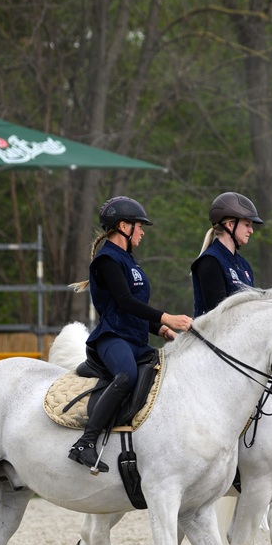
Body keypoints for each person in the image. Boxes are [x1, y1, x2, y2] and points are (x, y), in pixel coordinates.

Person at [69, 196, 193, 472]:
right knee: (126, 376)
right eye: (139, 226)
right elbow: (124, 302)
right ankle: (85, 443)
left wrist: (160, 329)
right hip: (112, 338)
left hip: (136, 339)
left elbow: (133, 309)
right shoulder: (106, 260)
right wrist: (166, 317)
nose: (143, 231)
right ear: (123, 226)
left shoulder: (129, 260)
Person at [191, 192, 262, 317]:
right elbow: (219, 315)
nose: (251, 231)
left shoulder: (244, 264)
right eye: (247, 225)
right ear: (229, 225)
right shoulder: (210, 261)